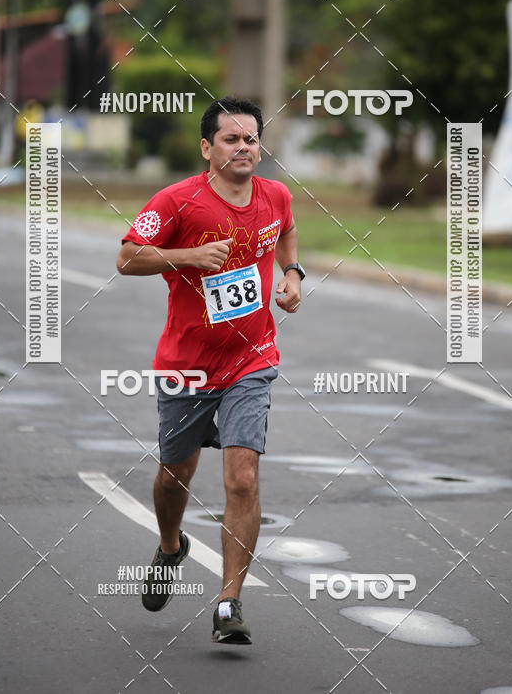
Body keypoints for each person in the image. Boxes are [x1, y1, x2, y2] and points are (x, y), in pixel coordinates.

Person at [116, 97, 305, 645]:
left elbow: (286, 232)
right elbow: (127, 257)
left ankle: (229, 602)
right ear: (208, 147)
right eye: (231, 139)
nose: (243, 147)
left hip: (252, 359)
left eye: (251, 138)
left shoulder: (276, 196)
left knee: (242, 476)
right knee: (175, 475)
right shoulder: (177, 201)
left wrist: (291, 275)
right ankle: (172, 545)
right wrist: (186, 258)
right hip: (187, 366)